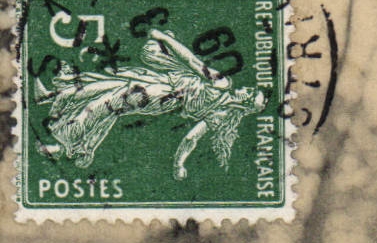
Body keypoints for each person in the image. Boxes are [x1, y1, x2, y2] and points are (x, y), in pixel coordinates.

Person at [37, 29, 266, 179]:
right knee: (108, 93)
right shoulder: (220, 116)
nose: (246, 88)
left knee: (107, 103)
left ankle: (63, 140)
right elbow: (190, 138)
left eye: (250, 92)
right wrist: (178, 164)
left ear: (245, 99)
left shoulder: (223, 84)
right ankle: (59, 106)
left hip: (162, 91)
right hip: (162, 95)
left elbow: (193, 62)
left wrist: (165, 39)